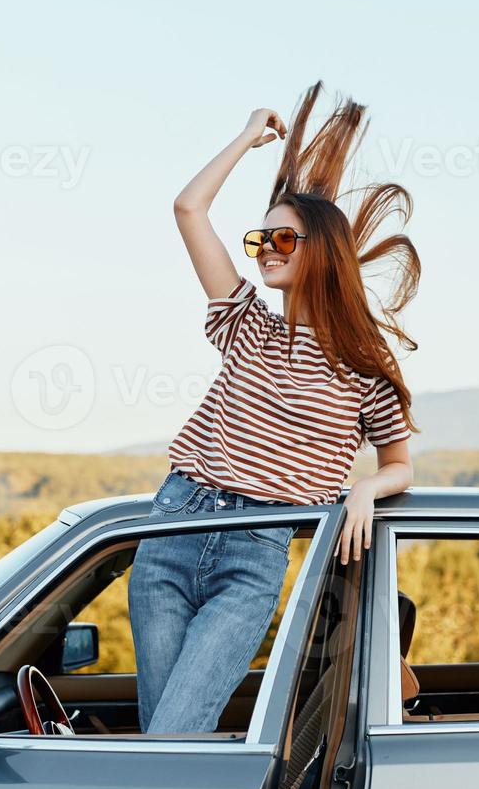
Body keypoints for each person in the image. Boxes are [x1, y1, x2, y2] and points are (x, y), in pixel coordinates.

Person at [129, 82, 421, 734]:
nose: (265, 250)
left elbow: (399, 461)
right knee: (156, 742)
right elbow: (188, 208)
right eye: (261, 239)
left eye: (283, 241)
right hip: (175, 523)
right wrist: (245, 136)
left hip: (255, 550)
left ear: (321, 251)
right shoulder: (247, 325)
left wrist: (365, 490)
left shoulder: (362, 359)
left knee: (171, 734)